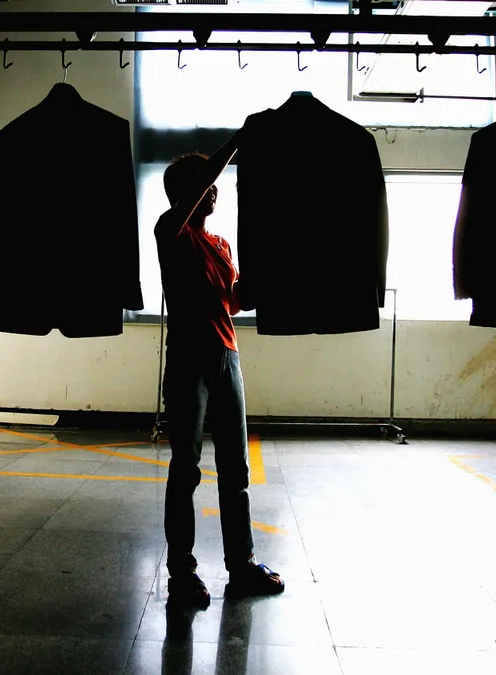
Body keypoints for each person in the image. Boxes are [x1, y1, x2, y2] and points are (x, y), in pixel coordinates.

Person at [155, 132, 284, 608]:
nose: (215, 190)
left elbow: (232, 302)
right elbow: (195, 193)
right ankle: (181, 574)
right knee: (185, 469)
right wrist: (237, 143)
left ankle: (242, 564)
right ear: (186, 193)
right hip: (189, 356)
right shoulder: (170, 231)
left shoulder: (221, 243)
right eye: (205, 185)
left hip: (228, 357)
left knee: (236, 469)